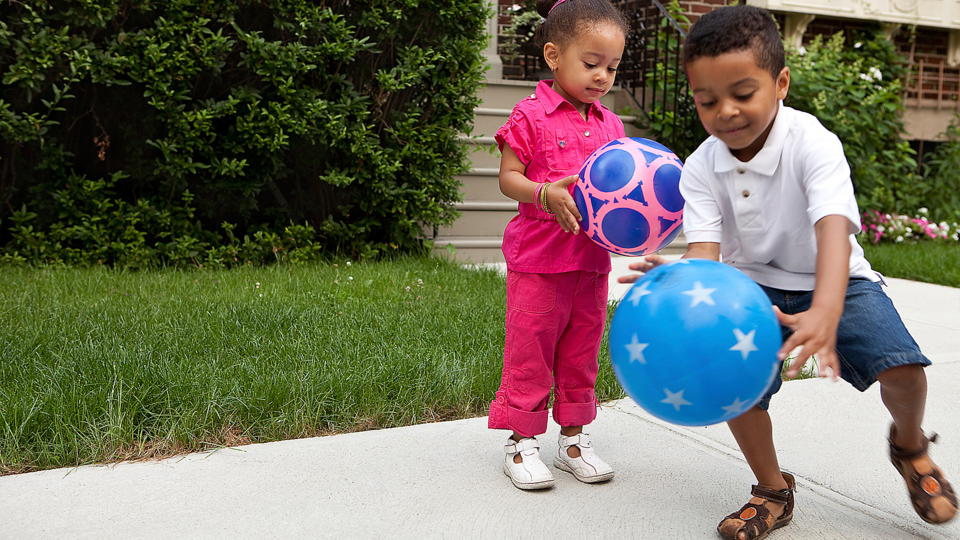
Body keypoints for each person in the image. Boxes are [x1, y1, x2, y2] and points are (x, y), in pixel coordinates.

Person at [619, 5, 957, 537]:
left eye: (742, 94)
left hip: (839, 278)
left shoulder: (812, 143)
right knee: (736, 387)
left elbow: (833, 230)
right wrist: (678, 285)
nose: (725, 111)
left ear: (780, 83)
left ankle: (910, 445)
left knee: (904, 369)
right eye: (708, 101)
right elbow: (707, 253)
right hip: (748, 286)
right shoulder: (704, 165)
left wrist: (826, 308)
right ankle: (773, 489)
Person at [487, 0, 627, 490]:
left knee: (581, 351)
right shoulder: (530, 115)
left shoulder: (612, 126)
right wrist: (544, 192)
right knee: (532, 349)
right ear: (553, 55)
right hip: (540, 260)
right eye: (590, 64)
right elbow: (508, 178)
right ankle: (521, 442)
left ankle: (572, 439)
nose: (602, 76)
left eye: (611, 67)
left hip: (590, 263)